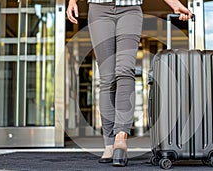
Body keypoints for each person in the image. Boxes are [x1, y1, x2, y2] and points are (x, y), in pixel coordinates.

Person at [66, 0, 192, 167]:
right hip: (98, 8)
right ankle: (109, 144)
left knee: (125, 71)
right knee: (107, 77)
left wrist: (174, 4)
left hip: (129, 9)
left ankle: (120, 137)